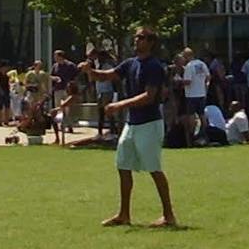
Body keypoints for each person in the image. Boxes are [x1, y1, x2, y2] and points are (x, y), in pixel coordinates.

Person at [75, 28, 177, 226]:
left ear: (151, 42)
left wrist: (120, 105)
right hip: (132, 123)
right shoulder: (131, 63)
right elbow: (108, 75)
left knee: (154, 169)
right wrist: (90, 71)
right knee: (123, 165)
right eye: (136, 37)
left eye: (141, 37)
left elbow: (149, 96)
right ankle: (123, 215)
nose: (136, 40)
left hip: (149, 123)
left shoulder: (154, 66)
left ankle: (169, 216)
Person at [179, 48, 210, 130]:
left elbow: (188, 81)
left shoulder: (189, 66)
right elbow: (208, 77)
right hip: (202, 93)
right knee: (202, 114)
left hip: (191, 95)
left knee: (191, 115)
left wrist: (179, 81)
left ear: (187, 56)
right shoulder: (202, 64)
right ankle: (205, 131)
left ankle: (192, 133)